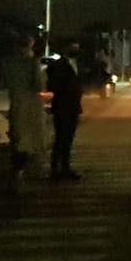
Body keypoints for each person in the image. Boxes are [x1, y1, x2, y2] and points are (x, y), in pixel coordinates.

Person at [0, 32, 48, 194]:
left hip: (16, 103)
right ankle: (20, 175)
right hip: (31, 106)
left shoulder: (7, 63)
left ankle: (16, 174)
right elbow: (38, 85)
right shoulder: (32, 62)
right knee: (28, 141)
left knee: (17, 139)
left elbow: (1, 82)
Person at [46, 43, 84, 180]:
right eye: (73, 47)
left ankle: (65, 168)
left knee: (68, 139)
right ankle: (56, 169)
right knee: (61, 139)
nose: (76, 50)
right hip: (62, 107)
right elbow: (53, 85)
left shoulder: (77, 64)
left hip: (73, 106)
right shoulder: (58, 65)